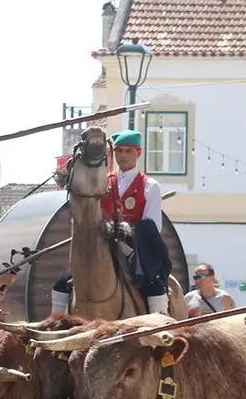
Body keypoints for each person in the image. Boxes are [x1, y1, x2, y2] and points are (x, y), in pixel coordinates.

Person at [51, 129, 170, 316]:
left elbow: (154, 225)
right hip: (101, 243)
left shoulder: (149, 185)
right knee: (61, 285)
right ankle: (55, 326)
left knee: (155, 286)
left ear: (138, 153)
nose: (122, 155)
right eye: (119, 151)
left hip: (134, 250)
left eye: (128, 151)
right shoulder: (104, 182)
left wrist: (126, 228)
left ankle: (161, 327)